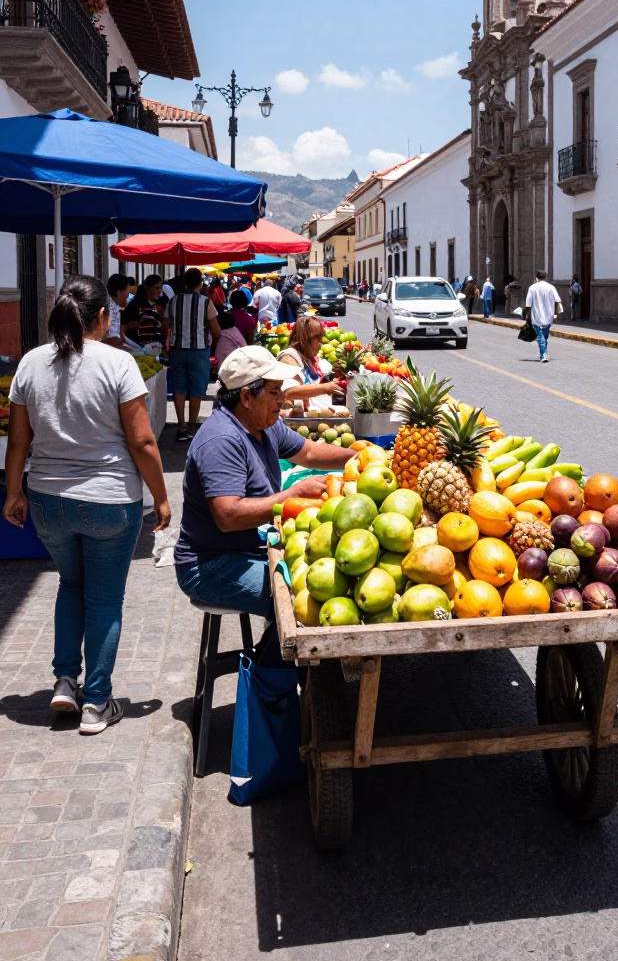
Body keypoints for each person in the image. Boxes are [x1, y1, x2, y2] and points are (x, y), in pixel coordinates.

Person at [2, 276, 170, 734]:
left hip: (48, 501)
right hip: (109, 501)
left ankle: (63, 680)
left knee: (70, 586)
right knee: (104, 600)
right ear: (102, 316)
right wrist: (160, 496)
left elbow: (18, 442)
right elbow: (143, 441)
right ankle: (96, 702)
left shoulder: (30, 363)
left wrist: (13, 492)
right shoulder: (118, 363)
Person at [174, 347, 355, 619]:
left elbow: (309, 452)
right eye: (273, 393)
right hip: (211, 565)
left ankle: (283, 657)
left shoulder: (264, 424)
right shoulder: (222, 440)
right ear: (247, 397)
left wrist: (362, 458)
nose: (282, 399)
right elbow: (228, 516)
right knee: (302, 596)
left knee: (314, 583)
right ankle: (273, 661)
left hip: (247, 549)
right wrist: (292, 494)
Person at [163, 268, 222, 442]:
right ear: (200, 283)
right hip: (199, 350)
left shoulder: (173, 301)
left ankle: (180, 424)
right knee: (197, 388)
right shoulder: (206, 302)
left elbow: (164, 325)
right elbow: (216, 331)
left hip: (177, 350)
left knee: (179, 387)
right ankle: (192, 425)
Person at [278, 316, 343, 409]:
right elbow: (288, 392)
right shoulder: (289, 358)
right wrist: (324, 388)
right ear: (305, 339)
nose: (320, 343)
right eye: (317, 338)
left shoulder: (309, 358)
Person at [524, 270, 563, 363]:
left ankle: (543, 354)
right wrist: (559, 314)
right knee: (542, 336)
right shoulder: (551, 287)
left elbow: (528, 305)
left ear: (536, 278)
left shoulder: (532, 288)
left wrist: (527, 316)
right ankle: (543, 354)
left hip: (536, 316)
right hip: (549, 316)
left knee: (542, 337)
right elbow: (558, 301)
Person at [122, 274, 164, 348]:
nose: (160, 291)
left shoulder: (154, 305)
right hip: (139, 349)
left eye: (161, 288)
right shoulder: (137, 305)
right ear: (147, 289)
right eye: (157, 288)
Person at [104, 273, 131, 349]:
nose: (129, 294)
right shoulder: (107, 309)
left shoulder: (116, 308)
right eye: (127, 290)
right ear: (118, 293)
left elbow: (120, 336)